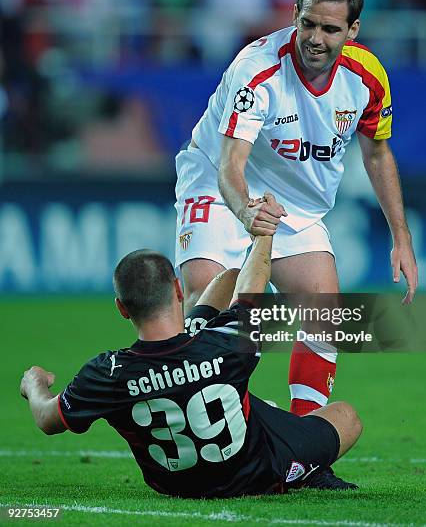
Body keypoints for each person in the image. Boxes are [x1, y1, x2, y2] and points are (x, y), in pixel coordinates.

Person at [174, 0, 418, 419]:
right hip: (218, 183)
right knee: (208, 300)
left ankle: (304, 448)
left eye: (330, 28)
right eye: (307, 23)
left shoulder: (366, 78)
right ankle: (219, 426)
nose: (315, 38)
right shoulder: (257, 70)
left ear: (352, 29)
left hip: (295, 204)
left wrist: (401, 236)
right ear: (294, 15)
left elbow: (377, 155)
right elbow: (231, 165)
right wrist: (247, 213)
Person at [20, 197, 362, 498]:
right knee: (347, 416)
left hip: (175, 484)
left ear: (122, 308)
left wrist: (34, 383)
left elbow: (48, 419)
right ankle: (299, 472)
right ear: (178, 290)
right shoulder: (222, 344)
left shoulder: (108, 372)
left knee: (224, 284)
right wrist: (264, 232)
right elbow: (249, 290)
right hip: (255, 472)